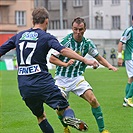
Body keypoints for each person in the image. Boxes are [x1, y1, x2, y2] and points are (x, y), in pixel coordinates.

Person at [0, 7, 101, 133]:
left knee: (41, 117)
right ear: (46, 21)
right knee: (64, 107)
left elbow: (1, 50)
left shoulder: (19, 36)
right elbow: (63, 50)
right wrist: (85, 60)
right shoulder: (46, 37)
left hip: (25, 86)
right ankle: (69, 118)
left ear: (33, 20)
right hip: (43, 83)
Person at [49, 17, 118, 133]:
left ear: (85, 29)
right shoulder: (65, 42)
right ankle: (65, 127)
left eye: (80, 29)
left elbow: (99, 58)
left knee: (93, 100)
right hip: (61, 79)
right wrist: (65, 64)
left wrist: (109, 66)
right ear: (72, 28)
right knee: (60, 107)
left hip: (77, 78)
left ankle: (103, 130)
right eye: (75, 29)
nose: (78, 32)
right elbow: (52, 59)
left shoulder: (87, 43)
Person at [117, 15, 133, 107]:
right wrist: (119, 57)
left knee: (131, 79)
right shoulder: (129, 31)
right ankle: (128, 98)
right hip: (130, 58)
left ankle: (125, 101)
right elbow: (121, 43)